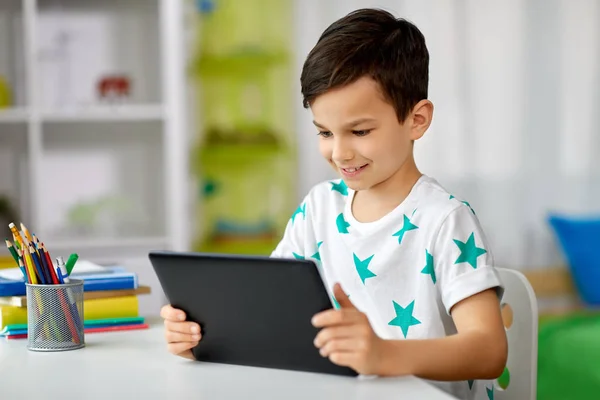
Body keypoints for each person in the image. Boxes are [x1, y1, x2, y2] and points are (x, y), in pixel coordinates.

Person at [161, 8, 507, 400]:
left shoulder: (445, 221)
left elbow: (489, 351)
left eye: (359, 131)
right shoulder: (318, 208)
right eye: (325, 132)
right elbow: (265, 313)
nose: (339, 152)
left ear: (417, 120)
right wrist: (205, 336)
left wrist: (383, 354)